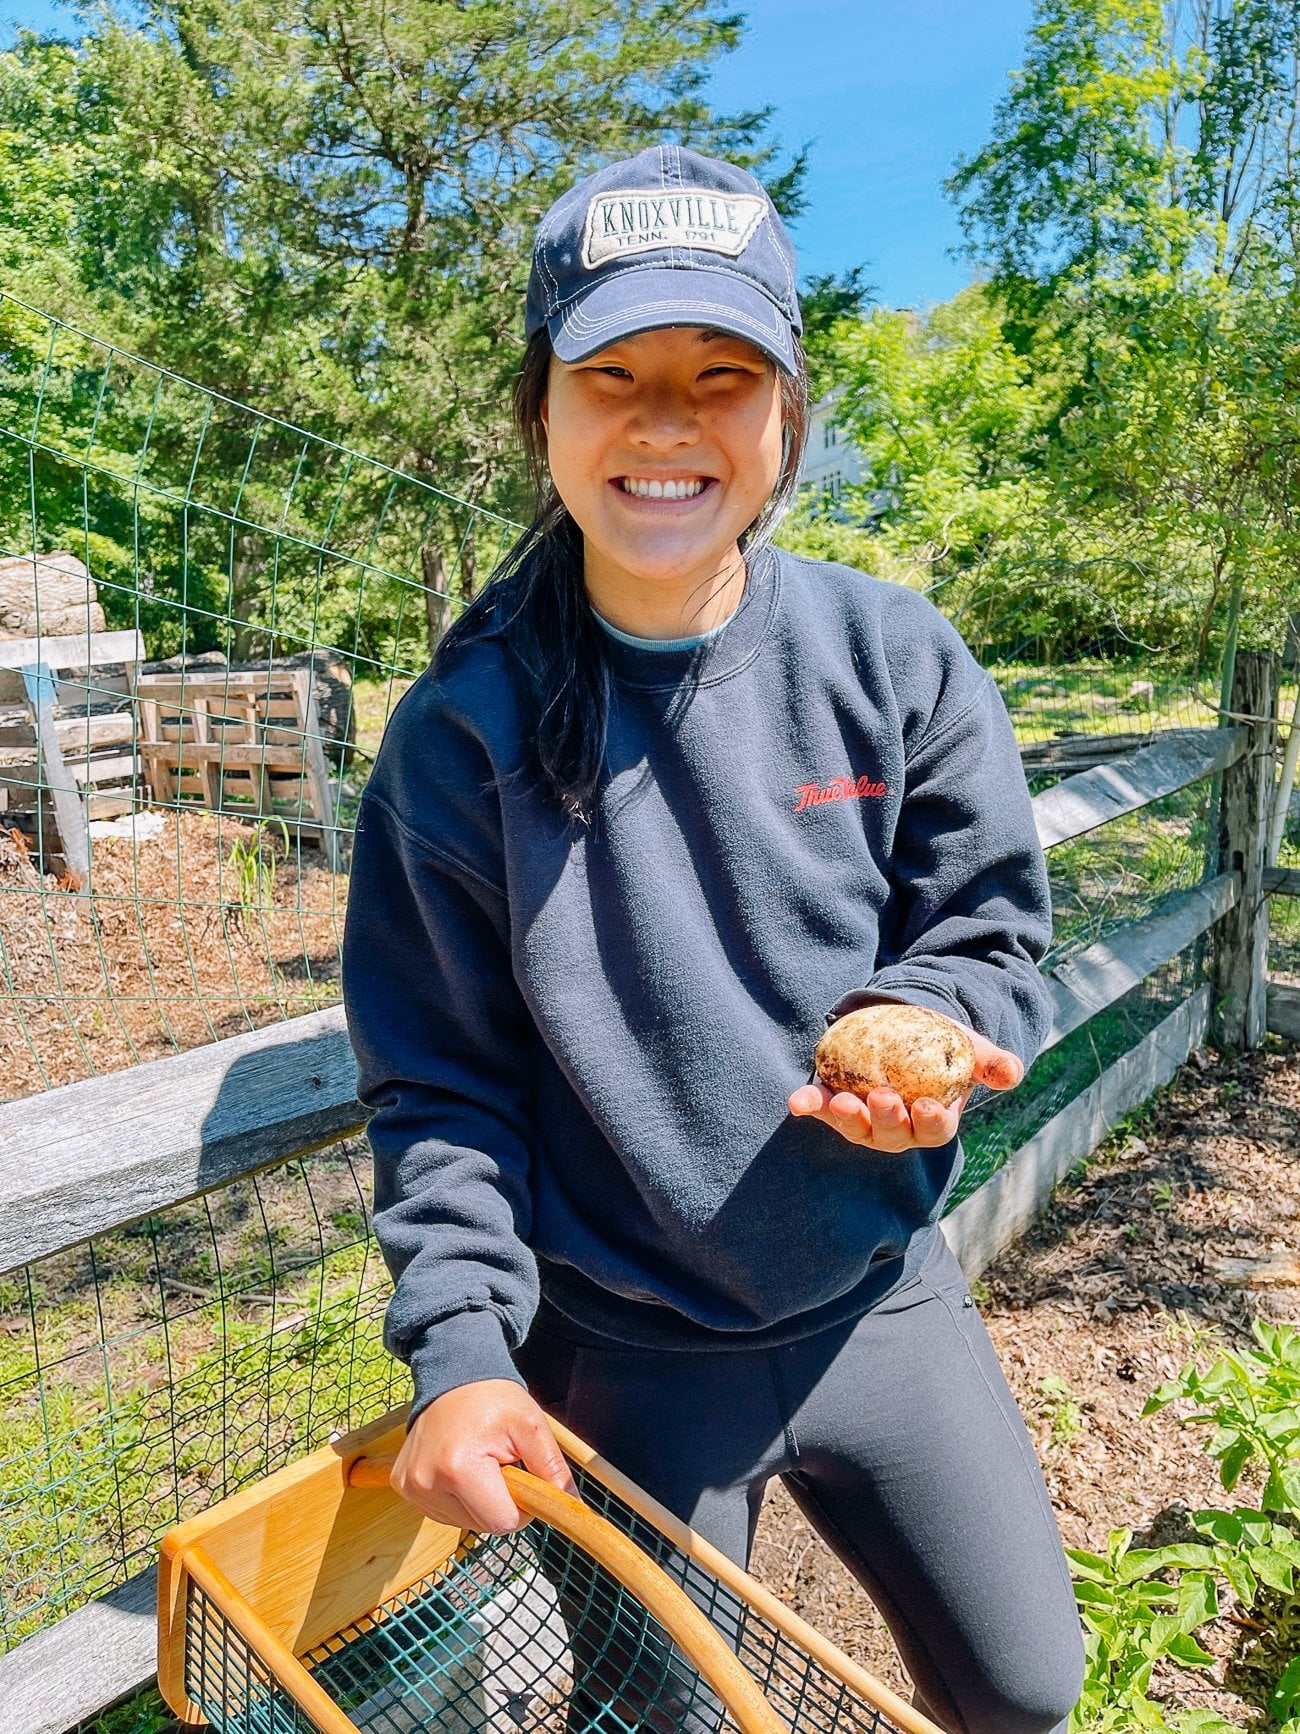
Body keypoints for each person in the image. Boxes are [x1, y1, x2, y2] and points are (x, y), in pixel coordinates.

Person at [340, 144, 1086, 1734]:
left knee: (1027, 1689)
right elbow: (438, 1086)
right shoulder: (460, 738)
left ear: (786, 415)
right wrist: (465, 1348)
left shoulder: (894, 658)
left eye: (722, 374)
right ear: (540, 412)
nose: (667, 421)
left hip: (877, 1289)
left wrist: (932, 1024)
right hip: (621, 1358)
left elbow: (983, 925)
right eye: (612, 374)